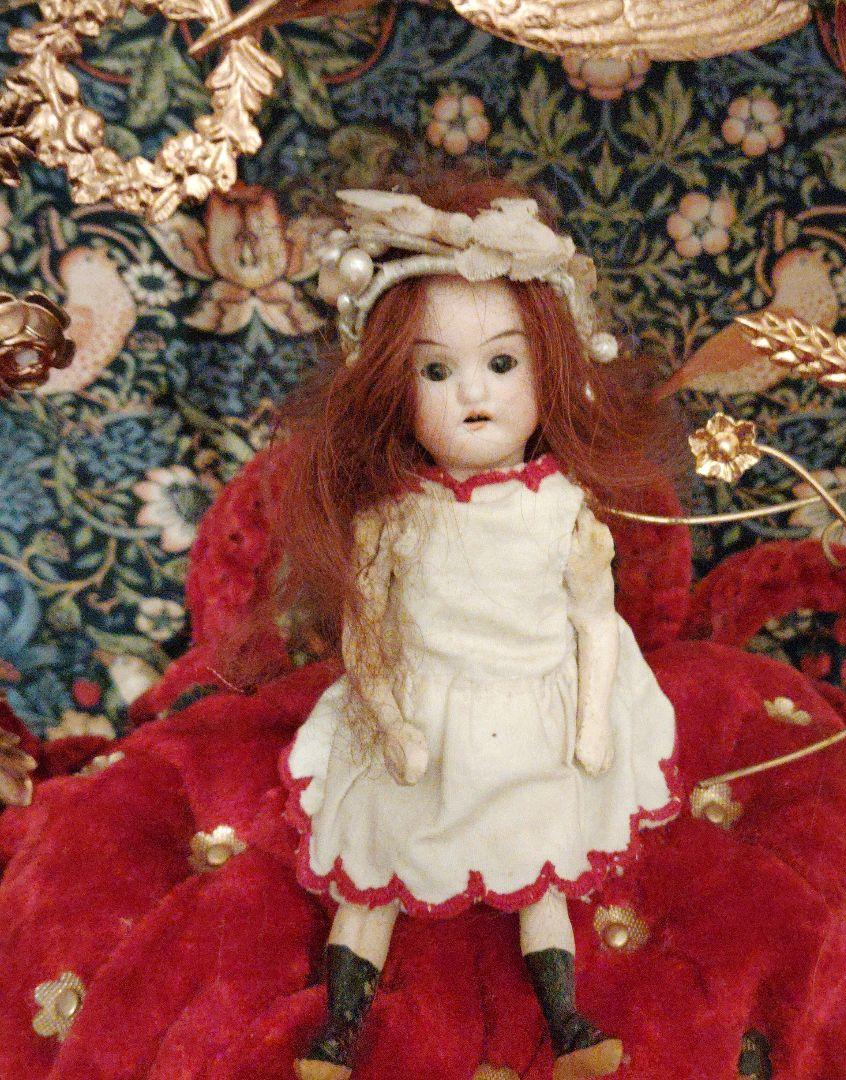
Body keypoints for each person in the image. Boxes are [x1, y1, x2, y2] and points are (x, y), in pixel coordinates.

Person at [270, 174, 681, 1080]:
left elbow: (595, 624)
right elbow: (366, 635)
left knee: (542, 866)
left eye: (501, 364)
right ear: (393, 387)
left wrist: (592, 721)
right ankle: (338, 1028)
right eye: (435, 370)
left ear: (549, 371)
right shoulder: (392, 517)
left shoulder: (564, 510)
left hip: (533, 709)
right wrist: (390, 717)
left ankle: (567, 1021)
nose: (471, 394)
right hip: (422, 712)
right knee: (375, 862)